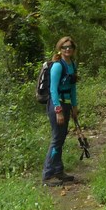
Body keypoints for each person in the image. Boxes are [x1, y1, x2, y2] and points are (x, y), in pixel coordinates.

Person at [42, 36, 79, 185]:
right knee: (57, 139)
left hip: (67, 104)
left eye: (70, 47)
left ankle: (58, 170)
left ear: (73, 49)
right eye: (64, 47)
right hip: (56, 105)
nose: (67, 49)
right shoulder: (58, 66)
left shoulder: (73, 65)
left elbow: (73, 87)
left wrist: (75, 106)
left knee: (61, 138)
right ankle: (48, 174)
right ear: (60, 49)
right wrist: (58, 110)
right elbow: (53, 90)